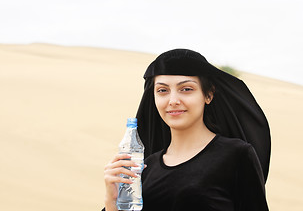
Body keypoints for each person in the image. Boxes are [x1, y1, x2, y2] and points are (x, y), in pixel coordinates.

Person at [103, 49, 271, 211]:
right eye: (162, 91)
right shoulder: (145, 168)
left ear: (208, 95)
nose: (173, 100)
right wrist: (112, 202)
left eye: (186, 89)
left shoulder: (237, 155)